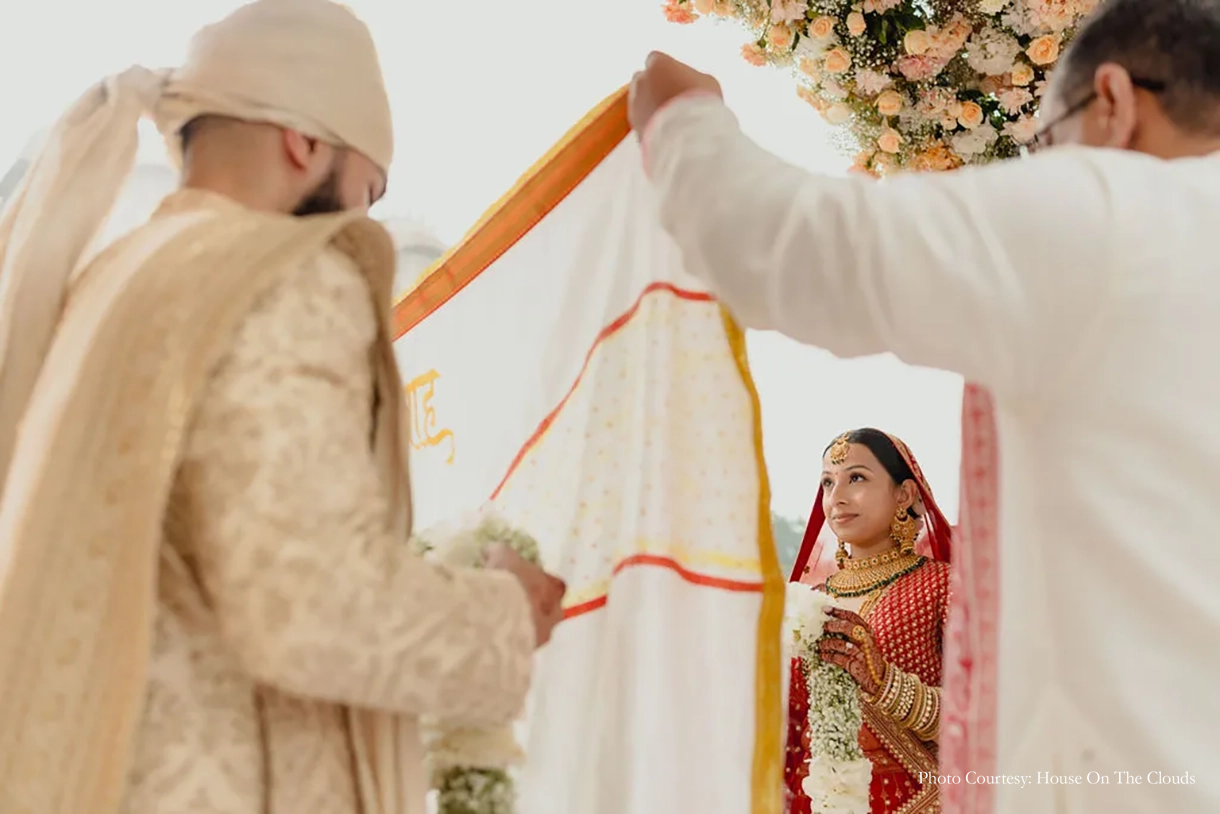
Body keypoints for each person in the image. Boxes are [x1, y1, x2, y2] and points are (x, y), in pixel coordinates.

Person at [628, 0, 1220, 812]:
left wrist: (681, 123)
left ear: (1113, 101)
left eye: (1046, 143)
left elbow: (800, 247)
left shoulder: (1122, 209)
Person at [0, 2, 565, 814]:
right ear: (304, 142)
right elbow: (306, 605)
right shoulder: (285, 276)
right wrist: (505, 612)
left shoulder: (112, 282)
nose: (362, 218)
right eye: (369, 188)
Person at [786, 429, 952, 814]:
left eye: (856, 478)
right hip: (815, 800)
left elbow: (986, 716)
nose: (836, 498)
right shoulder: (809, 601)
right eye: (828, 483)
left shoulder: (943, 585)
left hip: (922, 801)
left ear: (904, 494)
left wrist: (884, 682)